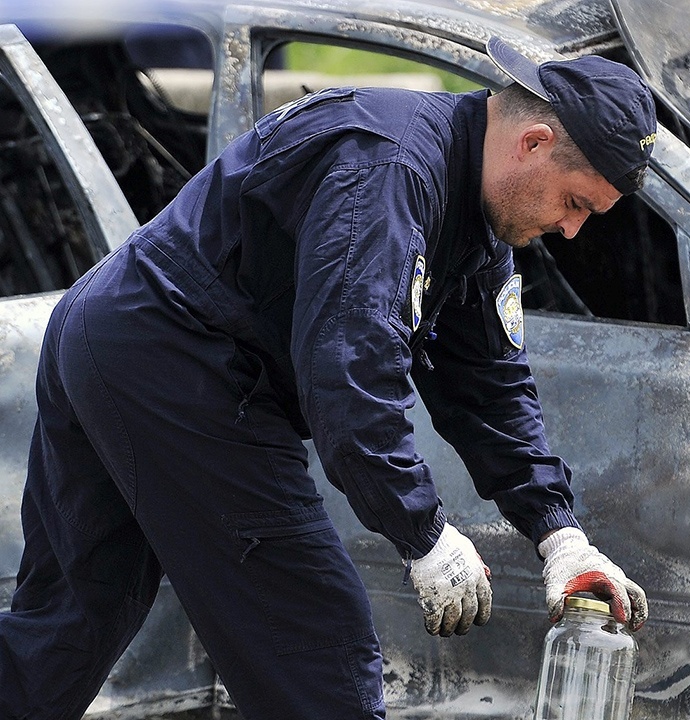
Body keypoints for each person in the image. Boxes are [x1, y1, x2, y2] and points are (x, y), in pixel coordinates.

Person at [0, 36, 655, 720]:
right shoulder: (392, 172)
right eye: (576, 202)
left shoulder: (475, 211)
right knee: (319, 648)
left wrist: (560, 536)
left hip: (113, 333)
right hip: (174, 358)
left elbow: (488, 386)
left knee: (66, 631)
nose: (572, 230)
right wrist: (423, 532)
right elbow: (349, 372)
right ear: (534, 143)